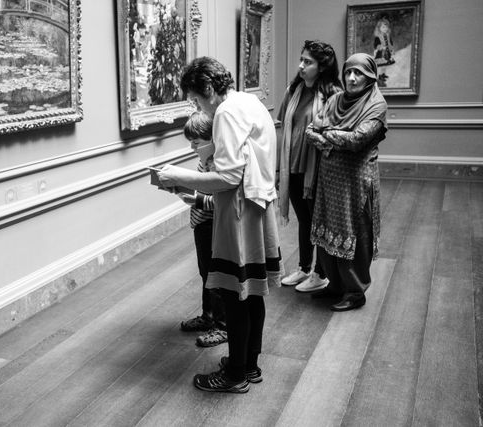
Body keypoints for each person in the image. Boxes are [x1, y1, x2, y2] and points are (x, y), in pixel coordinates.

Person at [158, 56, 283, 393]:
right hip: (260, 206)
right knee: (252, 292)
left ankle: (234, 376)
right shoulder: (249, 101)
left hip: (238, 212)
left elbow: (228, 177)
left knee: (233, 295)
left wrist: (177, 175)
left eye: (197, 100)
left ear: (210, 89)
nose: (199, 107)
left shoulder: (225, 111)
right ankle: (249, 365)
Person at [305, 53, 388, 311]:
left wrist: (326, 134)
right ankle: (335, 284)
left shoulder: (376, 105)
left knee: (354, 232)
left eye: (358, 73)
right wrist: (330, 136)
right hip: (330, 180)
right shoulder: (335, 100)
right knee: (328, 229)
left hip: (356, 182)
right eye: (348, 72)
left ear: (370, 76)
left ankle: (355, 291)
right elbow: (310, 130)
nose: (351, 78)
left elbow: (358, 140)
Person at [276, 40, 342, 293]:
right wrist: (279, 168)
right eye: (301, 59)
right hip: (292, 165)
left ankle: (321, 274)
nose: (301, 65)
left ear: (322, 67)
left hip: (317, 169)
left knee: (319, 222)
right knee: (305, 220)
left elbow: (335, 132)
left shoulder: (333, 94)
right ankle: (304, 268)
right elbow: (283, 126)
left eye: (308, 62)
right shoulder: (294, 90)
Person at [178, 112, 228, 348]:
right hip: (201, 223)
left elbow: (223, 202)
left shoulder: (219, 162)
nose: (192, 147)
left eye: (196, 143)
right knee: (205, 274)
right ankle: (208, 316)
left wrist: (197, 200)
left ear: (211, 139)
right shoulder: (204, 159)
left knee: (215, 277)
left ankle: (222, 325)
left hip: (212, 224)